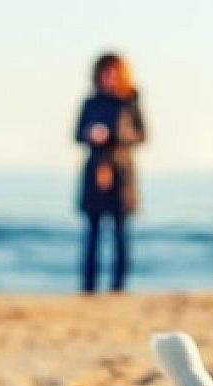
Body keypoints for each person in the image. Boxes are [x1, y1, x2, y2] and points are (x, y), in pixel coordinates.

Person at [74, 52, 146, 293]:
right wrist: (90, 135)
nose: (108, 78)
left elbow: (142, 136)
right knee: (92, 235)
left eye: (113, 72)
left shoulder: (130, 102)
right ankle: (88, 287)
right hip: (95, 171)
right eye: (104, 72)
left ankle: (118, 288)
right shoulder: (90, 103)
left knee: (120, 234)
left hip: (122, 173)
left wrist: (114, 137)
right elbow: (77, 134)